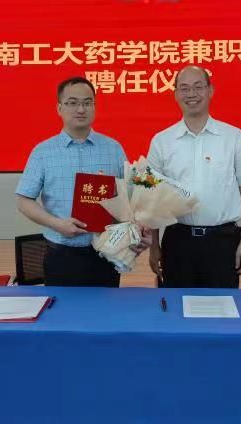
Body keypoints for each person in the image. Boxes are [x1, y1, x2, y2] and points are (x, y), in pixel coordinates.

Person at [16, 76, 149, 287]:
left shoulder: (113, 149)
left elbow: (130, 198)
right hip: (61, 255)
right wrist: (57, 224)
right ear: (59, 108)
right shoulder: (43, 152)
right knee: (62, 309)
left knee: (105, 307)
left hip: (106, 253)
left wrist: (137, 231)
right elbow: (24, 201)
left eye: (87, 103)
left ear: (94, 107)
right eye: (72, 103)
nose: (80, 109)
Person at [147, 66, 241, 288]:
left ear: (211, 91)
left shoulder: (234, 137)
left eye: (198, 87)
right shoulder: (162, 141)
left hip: (223, 242)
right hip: (178, 241)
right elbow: (152, 197)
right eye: (184, 88)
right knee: (176, 306)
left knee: (222, 306)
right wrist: (153, 245)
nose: (191, 94)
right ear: (176, 94)